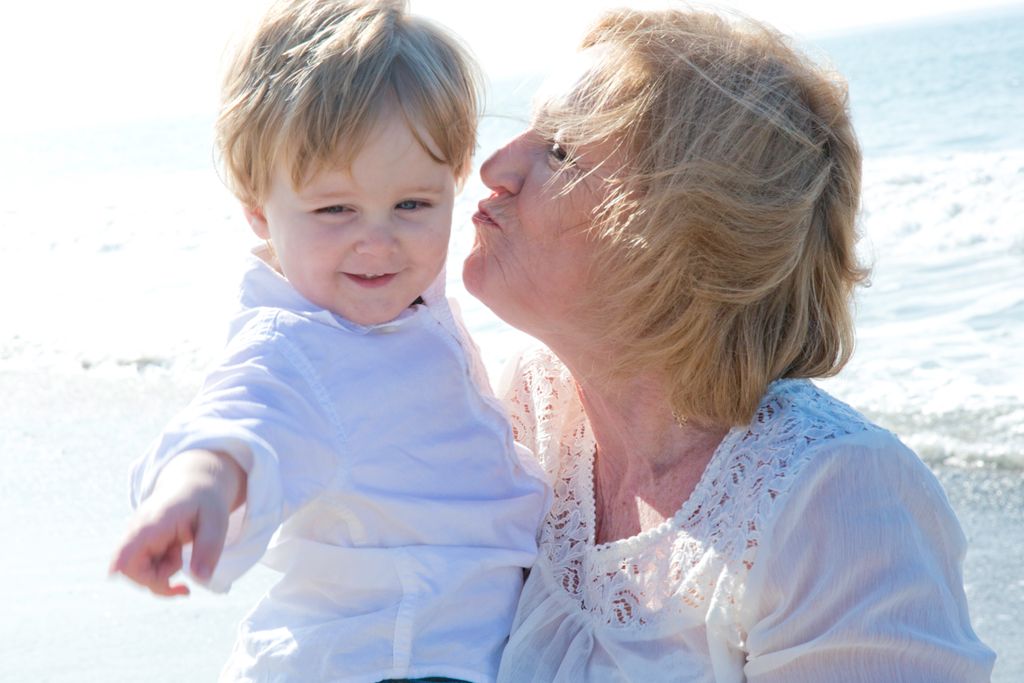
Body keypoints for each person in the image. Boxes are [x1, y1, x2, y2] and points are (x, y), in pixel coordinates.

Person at [463, 7, 996, 682]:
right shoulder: (531, 408)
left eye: (562, 151)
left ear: (682, 229)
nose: (494, 166)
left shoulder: (834, 498)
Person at [108, 1, 549, 681]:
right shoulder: (298, 343)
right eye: (334, 209)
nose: (378, 240)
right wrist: (196, 484)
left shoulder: (403, 307)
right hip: (389, 661)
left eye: (412, 205)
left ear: (454, 183)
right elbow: (241, 415)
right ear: (259, 210)